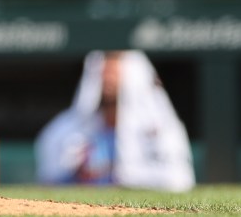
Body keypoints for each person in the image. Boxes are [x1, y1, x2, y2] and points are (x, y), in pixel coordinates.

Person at [35, 51, 194, 191]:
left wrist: (127, 176)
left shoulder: (163, 130)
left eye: (114, 73)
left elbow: (179, 180)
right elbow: (49, 180)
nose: (107, 80)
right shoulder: (66, 129)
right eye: (103, 72)